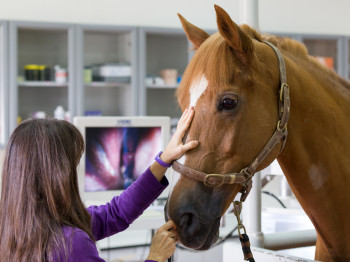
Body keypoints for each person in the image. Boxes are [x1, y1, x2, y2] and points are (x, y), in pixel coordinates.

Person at [0, 107, 198, 262]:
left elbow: (116, 213)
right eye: (74, 164)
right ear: (58, 175)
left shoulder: (12, 228)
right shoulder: (71, 243)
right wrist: (155, 257)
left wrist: (164, 159)